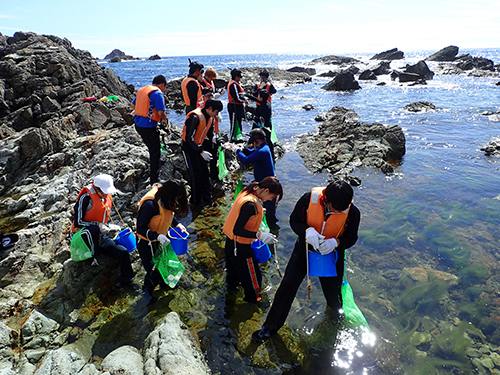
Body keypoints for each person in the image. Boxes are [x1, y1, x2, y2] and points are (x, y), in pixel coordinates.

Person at [252, 179, 361, 343]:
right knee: (287, 286)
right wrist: (307, 230)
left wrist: (336, 243)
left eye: (342, 209)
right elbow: (294, 220)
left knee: (333, 292)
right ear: (327, 200)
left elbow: (351, 238)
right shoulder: (308, 199)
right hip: (304, 248)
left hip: (331, 254)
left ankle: (335, 319)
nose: (338, 211)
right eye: (335, 208)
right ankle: (269, 328)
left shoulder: (353, 212)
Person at [223, 177, 283, 303]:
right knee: (254, 281)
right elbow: (237, 230)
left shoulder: (248, 191)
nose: (271, 200)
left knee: (234, 275)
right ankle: (253, 304)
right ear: (266, 190)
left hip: (230, 244)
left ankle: (230, 296)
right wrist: (259, 235)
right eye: (273, 197)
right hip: (240, 247)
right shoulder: (250, 205)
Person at [72, 174, 135, 287]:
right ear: (96, 188)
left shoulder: (106, 196)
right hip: (82, 237)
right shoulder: (86, 197)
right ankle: (90, 256)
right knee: (93, 229)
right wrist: (99, 226)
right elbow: (78, 222)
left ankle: (126, 279)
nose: (106, 194)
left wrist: (109, 227)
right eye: (104, 192)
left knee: (123, 251)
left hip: (100, 236)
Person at [136, 180, 189, 298]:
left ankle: (166, 284)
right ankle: (147, 294)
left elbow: (167, 215)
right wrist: (157, 236)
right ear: (169, 195)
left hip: (161, 240)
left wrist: (177, 224)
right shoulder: (150, 205)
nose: (176, 201)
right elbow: (140, 229)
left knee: (167, 264)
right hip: (147, 244)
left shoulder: (166, 200)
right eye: (175, 199)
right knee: (153, 271)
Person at [181, 99, 224, 208]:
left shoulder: (209, 118)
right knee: (196, 175)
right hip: (189, 149)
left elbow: (209, 134)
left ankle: (206, 198)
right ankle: (195, 201)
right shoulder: (195, 117)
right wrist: (201, 151)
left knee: (205, 174)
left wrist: (217, 140)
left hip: (199, 148)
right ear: (209, 108)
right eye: (216, 112)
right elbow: (188, 138)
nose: (217, 115)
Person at [236, 129, 277, 227]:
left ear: (257, 141)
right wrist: (243, 149)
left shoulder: (262, 151)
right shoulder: (264, 148)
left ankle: (271, 231)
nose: (252, 144)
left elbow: (245, 160)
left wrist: (237, 151)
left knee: (269, 213)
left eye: (253, 142)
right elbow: (252, 154)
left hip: (269, 187)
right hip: (266, 184)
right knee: (267, 210)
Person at [132, 75, 168, 184]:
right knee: (155, 151)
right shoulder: (157, 93)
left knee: (152, 147)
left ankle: (153, 167)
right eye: (164, 87)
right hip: (148, 126)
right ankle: (154, 179)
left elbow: (132, 105)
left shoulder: (143, 91)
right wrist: (165, 120)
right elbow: (161, 113)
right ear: (162, 85)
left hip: (138, 125)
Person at [252, 89, 275, 161]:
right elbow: (257, 100)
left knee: (265, 140)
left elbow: (259, 118)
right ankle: (272, 157)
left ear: (261, 98)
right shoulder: (267, 103)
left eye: (258, 96)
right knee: (268, 140)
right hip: (268, 124)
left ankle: (268, 157)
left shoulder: (263, 107)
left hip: (264, 127)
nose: (258, 97)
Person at [227, 68, 247, 142]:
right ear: (236, 77)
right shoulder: (233, 85)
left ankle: (239, 137)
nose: (240, 79)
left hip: (238, 107)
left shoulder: (236, 84)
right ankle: (232, 139)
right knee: (234, 123)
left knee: (238, 122)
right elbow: (237, 98)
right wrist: (244, 100)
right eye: (239, 77)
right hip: (234, 107)